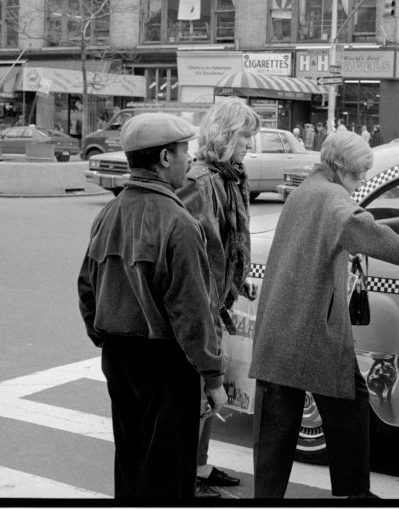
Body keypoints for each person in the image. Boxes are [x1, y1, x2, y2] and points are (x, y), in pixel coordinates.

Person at [248, 131, 399, 499]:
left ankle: (267, 497)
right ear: (344, 169)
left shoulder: (308, 189)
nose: (364, 178)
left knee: (275, 423)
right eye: (362, 171)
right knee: (349, 404)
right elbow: (357, 224)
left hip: (283, 322)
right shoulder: (331, 196)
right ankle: (355, 492)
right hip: (314, 326)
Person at [77, 113, 227, 498]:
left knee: (130, 463)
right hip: (164, 363)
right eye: (184, 152)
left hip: (118, 354)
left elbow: (86, 287)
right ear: (164, 158)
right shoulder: (178, 222)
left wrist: (104, 337)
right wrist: (213, 377)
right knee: (168, 474)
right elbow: (191, 312)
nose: (189, 160)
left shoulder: (107, 214)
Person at [177, 99, 260, 498]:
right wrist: (211, 293)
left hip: (217, 300)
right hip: (201, 305)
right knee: (199, 390)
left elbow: (226, 243)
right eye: (245, 137)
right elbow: (192, 250)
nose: (249, 146)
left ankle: (200, 467)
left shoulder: (230, 175)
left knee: (209, 393)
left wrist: (235, 280)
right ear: (228, 136)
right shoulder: (202, 181)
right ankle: (187, 480)